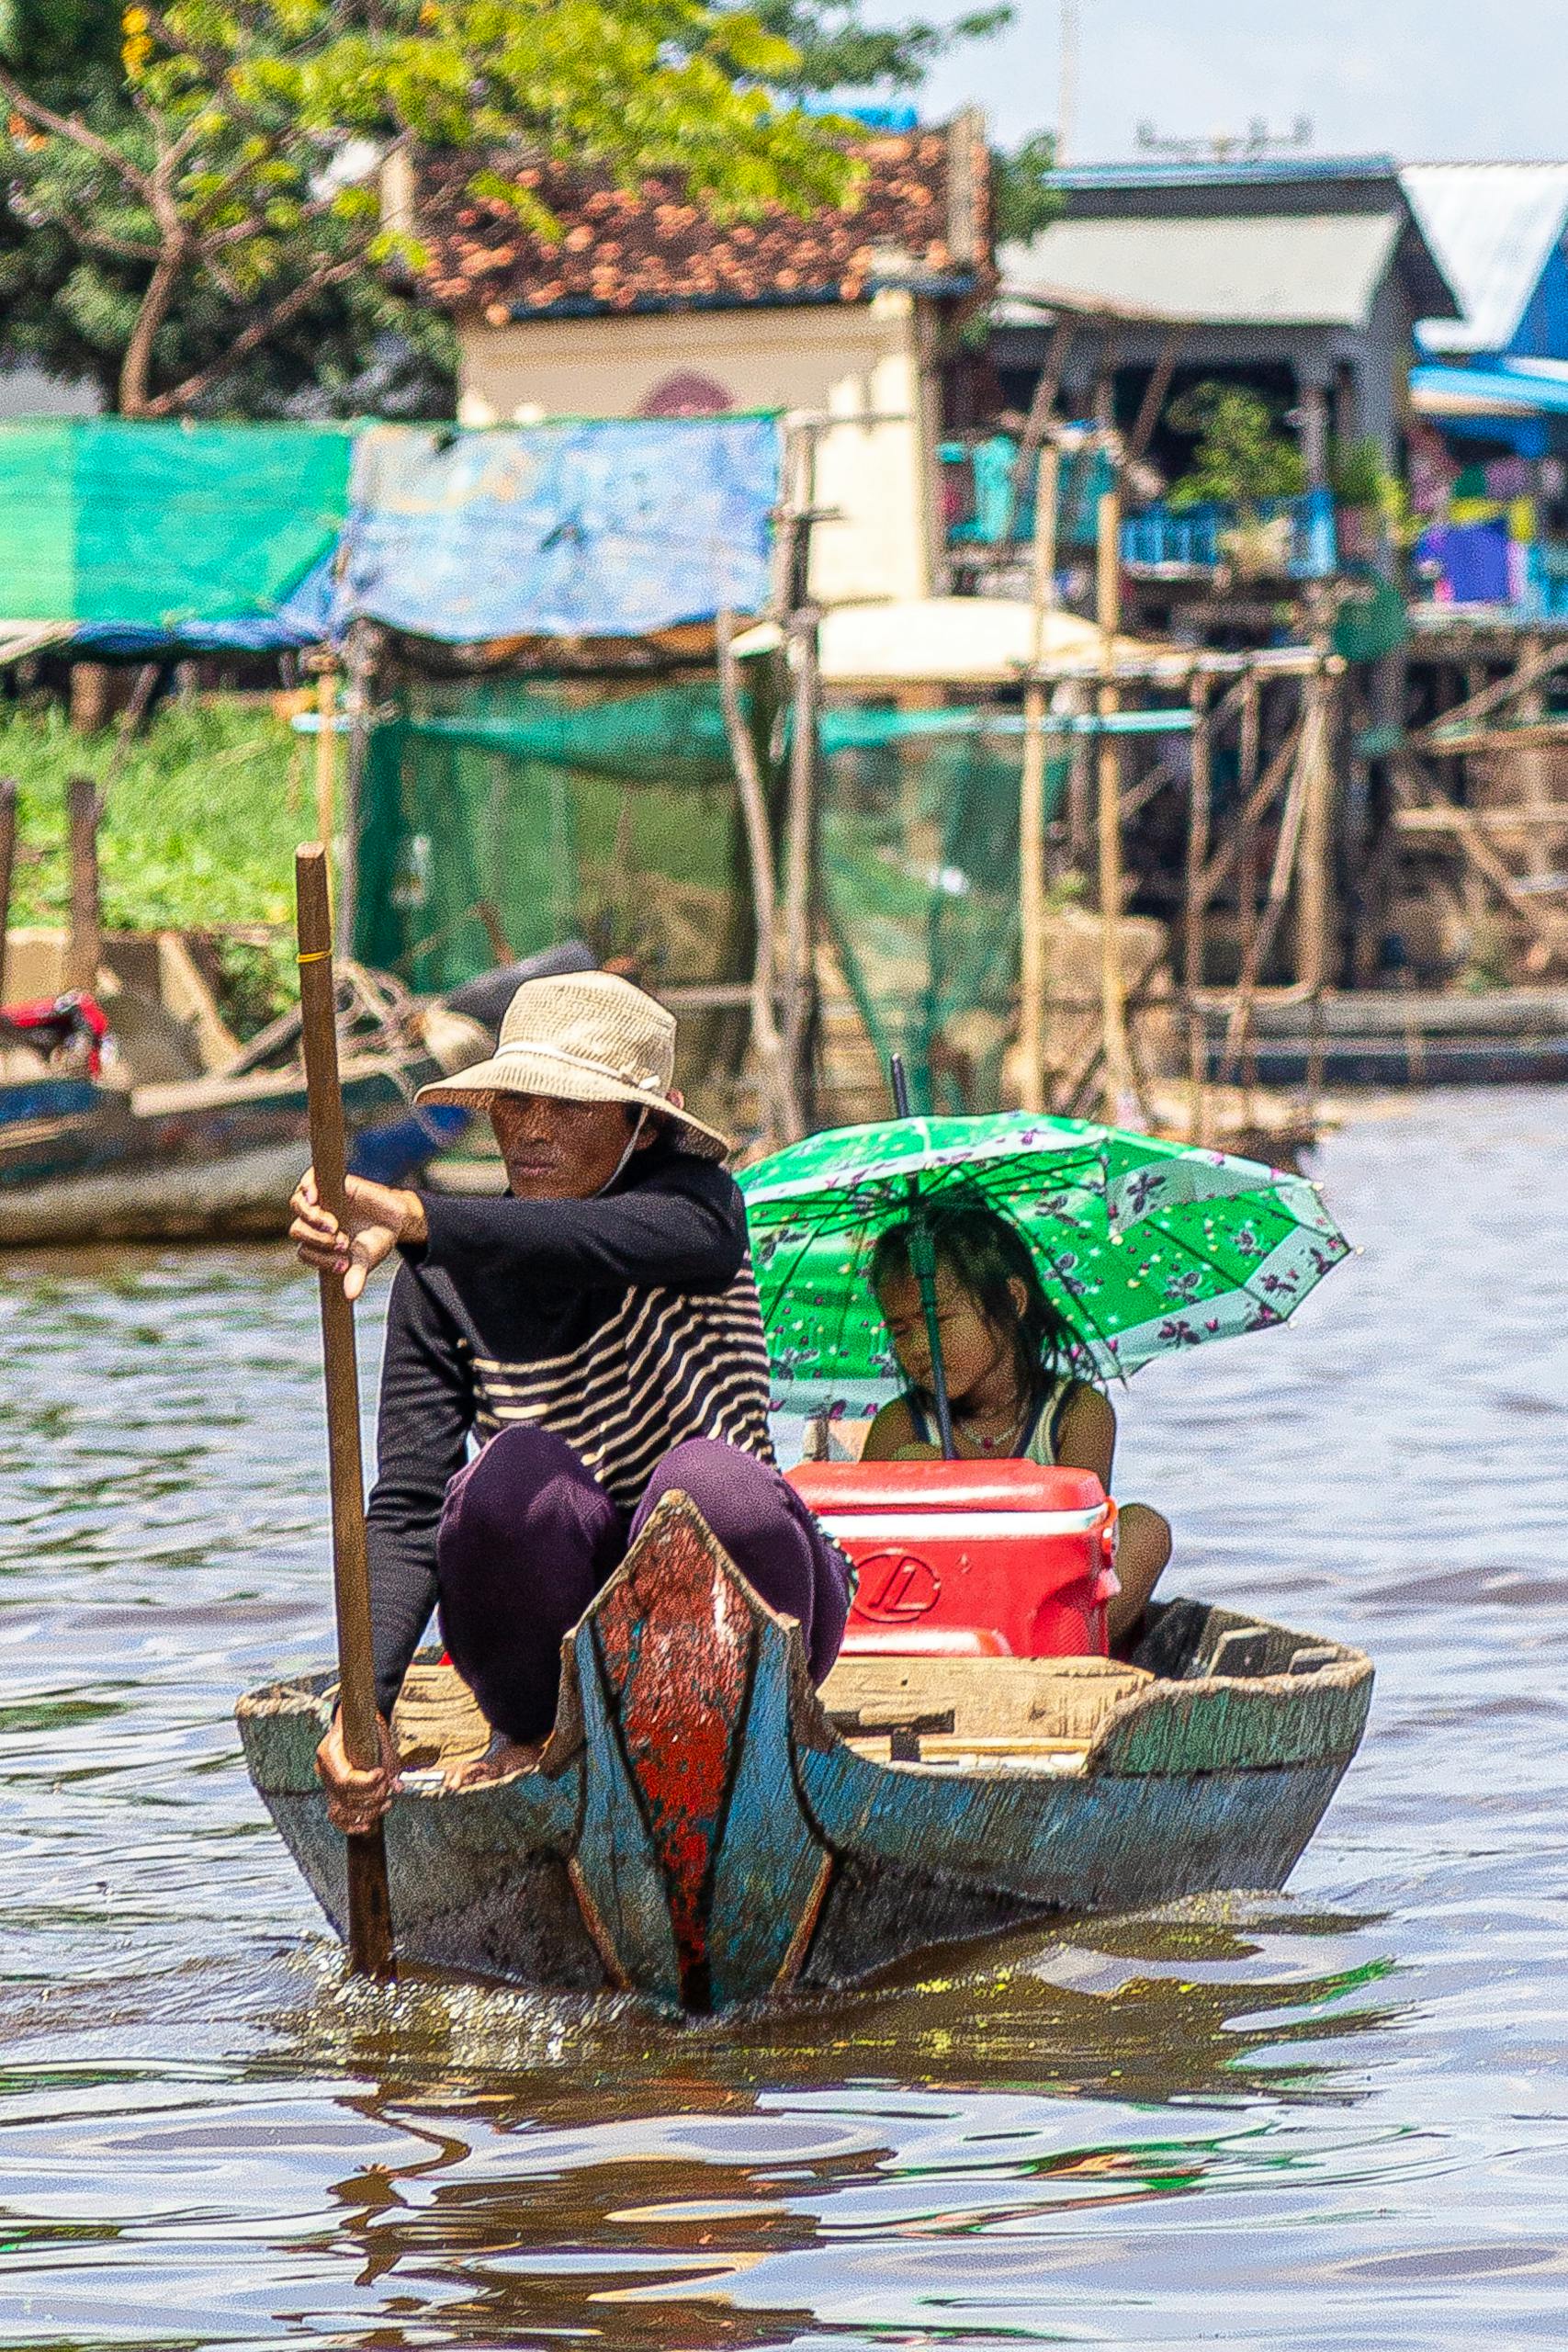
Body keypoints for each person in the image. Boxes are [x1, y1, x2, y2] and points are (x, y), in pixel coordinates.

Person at [290, 970, 850, 1831]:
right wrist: (362, 1706)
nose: (532, 1130)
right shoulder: (443, 1273)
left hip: (753, 1622)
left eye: (572, 1107)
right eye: (514, 1102)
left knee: (703, 1486)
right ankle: (537, 1734)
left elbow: (619, 1238)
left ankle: (758, 1741)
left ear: (646, 1122)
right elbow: (404, 1513)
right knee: (510, 1477)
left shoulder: (696, 1211)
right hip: (552, 1652)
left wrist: (416, 1217)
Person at [860, 1200, 1170, 1649]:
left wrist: (965, 1485)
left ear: (1012, 1301)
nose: (920, 1347)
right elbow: (867, 1564)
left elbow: (1075, 1549)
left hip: (1050, 1619)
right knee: (910, 1466)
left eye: (939, 1321)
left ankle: (1070, 1658)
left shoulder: (1078, 1413)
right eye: (901, 1331)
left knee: (1146, 1529)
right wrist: (925, 1481)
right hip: (941, 1621)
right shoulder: (900, 1426)